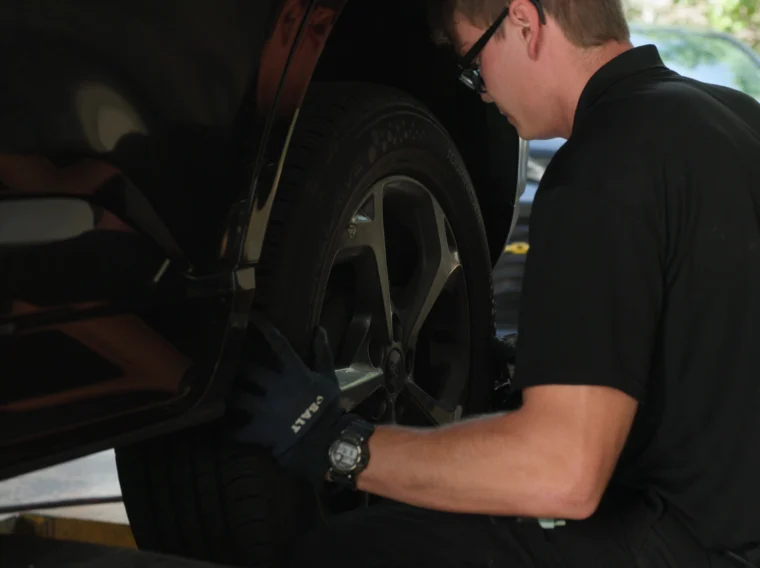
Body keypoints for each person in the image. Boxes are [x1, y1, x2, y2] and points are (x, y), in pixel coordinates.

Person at [228, 0, 760, 566]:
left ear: (524, 23)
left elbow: (562, 474)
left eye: (474, 65)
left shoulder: (601, 164)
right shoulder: (737, 117)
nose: (481, 93)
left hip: (696, 548)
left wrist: (339, 442)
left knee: (341, 551)